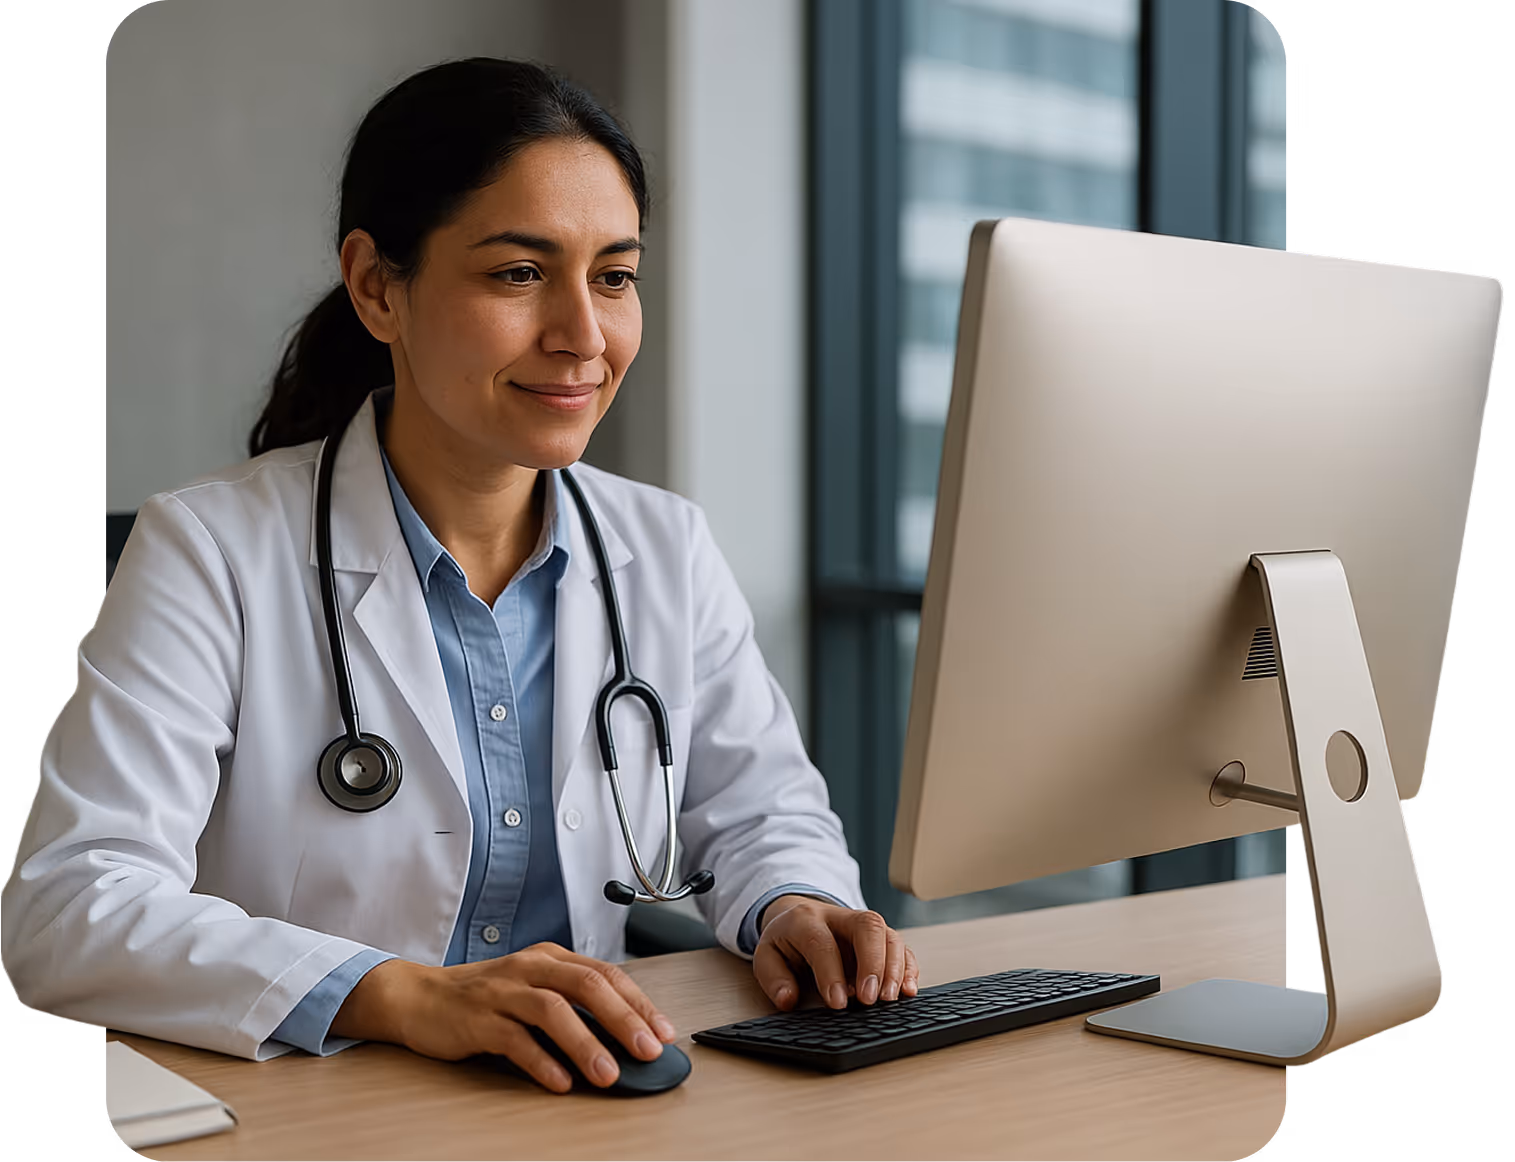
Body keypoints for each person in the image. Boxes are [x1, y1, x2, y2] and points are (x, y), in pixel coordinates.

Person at [2, 58, 918, 1094]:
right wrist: (400, 993)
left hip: (580, 1098)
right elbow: (69, 907)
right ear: (376, 286)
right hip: (321, 1107)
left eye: (614, 275)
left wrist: (794, 905)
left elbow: (760, 814)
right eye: (519, 274)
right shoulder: (207, 551)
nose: (584, 336)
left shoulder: (663, 548)